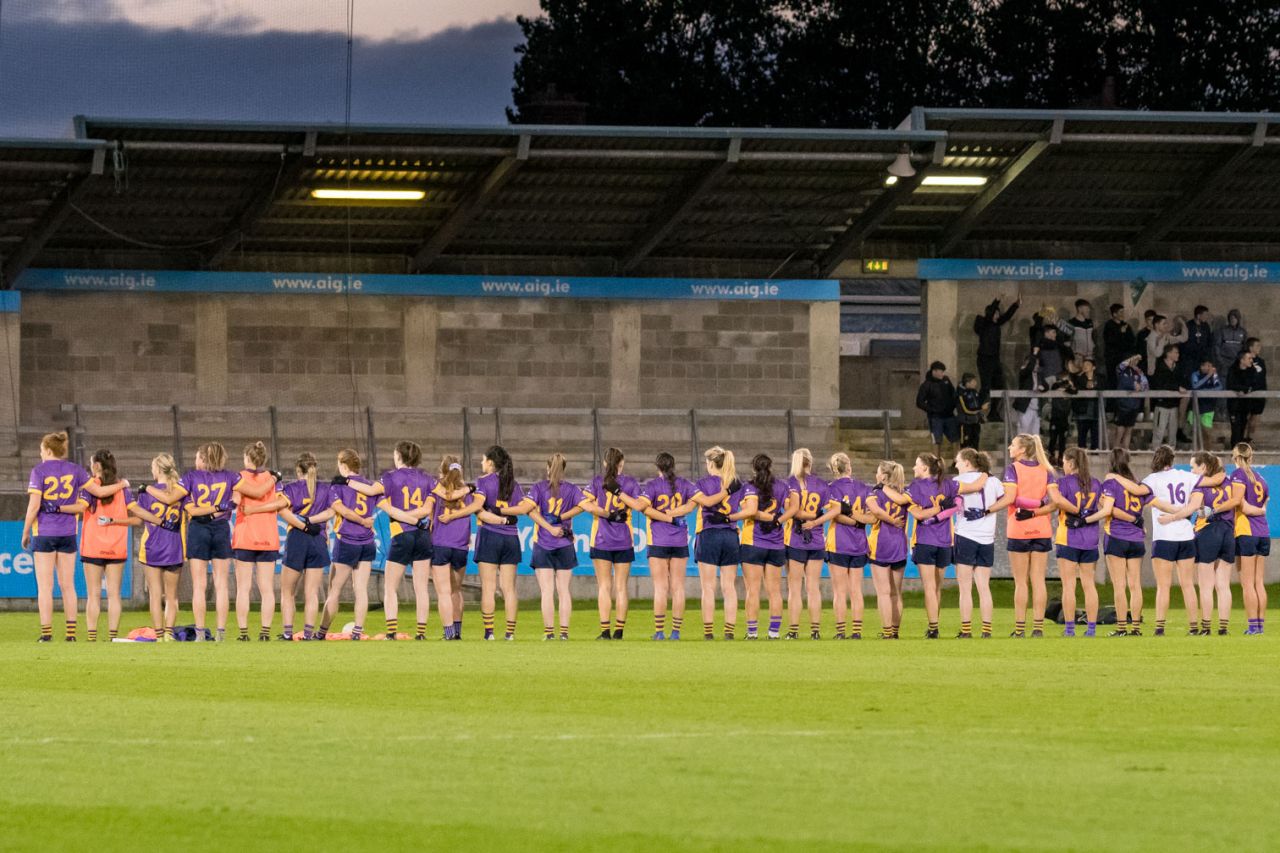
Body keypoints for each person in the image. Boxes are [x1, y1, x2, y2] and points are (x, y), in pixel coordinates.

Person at [145, 442, 275, 641]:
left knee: (199, 585)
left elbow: (169, 498)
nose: (195, 460)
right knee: (222, 584)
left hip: (198, 529)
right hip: (221, 529)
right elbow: (257, 493)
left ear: (204, 459)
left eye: (198, 456)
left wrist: (147, 489)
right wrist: (274, 477)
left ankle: (199, 633)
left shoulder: (190, 477)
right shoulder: (231, 476)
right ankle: (220, 633)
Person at [344, 441, 439, 640]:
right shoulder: (427, 478)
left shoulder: (390, 477)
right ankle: (421, 633)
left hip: (401, 534)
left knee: (390, 587)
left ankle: (391, 632)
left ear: (399, 456)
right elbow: (430, 506)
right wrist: (414, 518)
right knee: (421, 587)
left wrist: (347, 481)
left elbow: (370, 491)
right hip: (422, 535)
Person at [1108, 446, 1200, 635]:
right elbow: (1206, 484)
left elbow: (1136, 490)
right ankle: (1194, 627)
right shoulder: (1187, 476)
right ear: (1172, 460)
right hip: (1186, 535)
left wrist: (1116, 477)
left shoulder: (1152, 479)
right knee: (1188, 584)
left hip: (1164, 536)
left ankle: (1159, 627)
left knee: (1163, 586)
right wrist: (1180, 512)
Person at [1156, 452, 1242, 635]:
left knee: (1205, 585)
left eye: (1193, 466)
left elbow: (1197, 508)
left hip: (1208, 531)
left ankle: (1205, 627)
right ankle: (1223, 628)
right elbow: (1235, 501)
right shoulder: (1227, 481)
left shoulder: (1199, 484)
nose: (1191, 470)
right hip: (1228, 532)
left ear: (1204, 467)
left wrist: (1173, 517)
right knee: (1224, 584)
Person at [447, 445, 526, 641]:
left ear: (490, 462)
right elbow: (522, 507)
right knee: (509, 588)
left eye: (483, 460)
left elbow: (477, 506)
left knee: (489, 587)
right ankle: (510, 634)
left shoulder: (483, 482)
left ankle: (489, 632)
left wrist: (456, 514)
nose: (482, 463)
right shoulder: (514, 485)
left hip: (490, 536)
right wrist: (506, 517)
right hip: (511, 537)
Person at [259, 452, 335, 640]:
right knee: (312, 593)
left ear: (298, 470)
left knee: (287, 591)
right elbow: (331, 511)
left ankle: (287, 633)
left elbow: (280, 508)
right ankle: (308, 634)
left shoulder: (291, 488)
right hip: (318, 539)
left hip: (297, 539)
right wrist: (312, 522)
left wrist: (302, 522)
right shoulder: (325, 489)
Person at [23, 431, 90, 642]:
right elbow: (91, 492)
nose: (40, 453)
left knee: (45, 586)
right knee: (68, 585)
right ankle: (71, 635)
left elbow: (34, 506)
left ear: (49, 450)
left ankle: (46, 634)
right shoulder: (75, 470)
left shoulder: (39, 471)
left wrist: (25, 532)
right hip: (68, 532)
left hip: (44, 532)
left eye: (41, 450)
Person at [987, 433, 1054, 637]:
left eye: (1013, 445)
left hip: (1019, 528)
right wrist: (1038, 504)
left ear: (1022, 449)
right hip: (1042, 528)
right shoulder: (1046, 470)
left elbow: (1011, 498)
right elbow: (1053, 502)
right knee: (1039, 580)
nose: (1009, 447)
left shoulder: (1013, 469)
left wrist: (988, 509)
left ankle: (1019, 629)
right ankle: (1038, 629)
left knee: (1021, 582)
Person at [521, 453, 591, 640]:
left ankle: (549, 632)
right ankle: (564, 633)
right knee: (564, 591)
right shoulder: (572, 489)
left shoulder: (538, 488)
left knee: (546, 591)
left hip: (544, 542)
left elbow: (528, 510)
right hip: (564, 543)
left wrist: (549, 527)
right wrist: (564, 517)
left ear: (547, 468)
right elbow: (584, 506)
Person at [582, 447, 650, 640]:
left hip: (601, 539)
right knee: (621, 586)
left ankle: (605, 631)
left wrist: (605, 513)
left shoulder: (598, 481)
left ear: (605, 463)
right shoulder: (629, 483)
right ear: (622, 463)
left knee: (604, 586)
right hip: (624, 540)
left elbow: (585, 504)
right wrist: (619, 499)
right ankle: (619, 630)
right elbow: (640, 506)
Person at [901, 452, 970, 639]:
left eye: (916, 464)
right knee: (937, 587)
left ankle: (933, 628)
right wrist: (985, 475)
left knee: (930, 588)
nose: (914, 468)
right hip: (945, 542)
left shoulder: (915, 486)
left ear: (924, 468)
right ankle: (934, 624)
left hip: (924, 540)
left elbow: (918, 515)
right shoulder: (949, 484)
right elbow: (973, 487)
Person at [318, 449, 379, 640]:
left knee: (334, 590)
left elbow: (342, 511)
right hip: (368, 542)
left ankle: (321, 632)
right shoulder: (369, 485)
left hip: (347, 541)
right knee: (360, 589)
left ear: (344, 466)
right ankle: (357, 631)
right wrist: (366, 521)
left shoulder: (338, 486)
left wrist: (359, 521)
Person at [814, 452, 874, 640]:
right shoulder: (864, 488)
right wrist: (858, 521)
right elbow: (872, 518)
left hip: (838, 543)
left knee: (839, 591)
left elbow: (835, 515)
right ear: (849, 467)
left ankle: (841, 631)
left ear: (833, 469)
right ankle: (856, 632)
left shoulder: (830, 489)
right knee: (856, 590)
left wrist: (850, 518)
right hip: (859, 544)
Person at [77, 449, 133, 642]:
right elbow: (133, 514)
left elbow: (81, 507)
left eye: (92, 463)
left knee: (93, 595)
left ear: (97, 466)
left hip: (93, 545)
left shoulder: (90, 486)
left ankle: (92, 637)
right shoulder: (123, 488)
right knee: (114, 595)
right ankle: (112, 637)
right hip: (116, 546)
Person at [734, 453, 791, 641]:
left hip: (753, 541)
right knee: (774, 591)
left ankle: (752, 632)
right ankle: (774, 632)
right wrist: (777, 520)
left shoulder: (750, 487)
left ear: (753, 468)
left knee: (753, 590)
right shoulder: (782, 486)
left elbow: (750, 512)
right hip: (776, 543)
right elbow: (792, 508)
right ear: (770, 466)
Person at [127, 454, 184, 641]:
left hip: (152, 546)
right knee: (172, 596)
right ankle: (169, 633)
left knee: (154, 594)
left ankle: (158, 635)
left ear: (158, 470)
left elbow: (139, 518)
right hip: (174, 546)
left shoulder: (146, 492)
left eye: (153, 467)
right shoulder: (181, 491)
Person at [1046, 447, 1102, 637]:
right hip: (1091, 538)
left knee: (1068, 585)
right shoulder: (1095, 483)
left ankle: (1070, 629)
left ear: (1070, 463)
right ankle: (1091, 629)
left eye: (1063, 461)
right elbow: (1102, 508)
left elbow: (1057, 501)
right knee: (1089, 584)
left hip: (1068, 537)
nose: (1063, 465)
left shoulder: (1063, 482)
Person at [642, 452, 698, 640]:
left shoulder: (652, 486)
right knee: (678, 587)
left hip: (658, 539)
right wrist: (675, 514)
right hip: (679, 540)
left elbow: (644, 508)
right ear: (673, 465)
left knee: (660, 588)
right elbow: (692, 506)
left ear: (657, 467)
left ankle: (659, 632)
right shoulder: (684, 484)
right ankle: (676, 632)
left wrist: (665, 515)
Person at [230, 441, 281, 641]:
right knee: (267, 588)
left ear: (246, 458)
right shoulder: (272, 478)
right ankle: (265, 632)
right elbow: (279, 502)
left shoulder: (239, 478)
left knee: (243, 587)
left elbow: (235, 499)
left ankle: (243, 633)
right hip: (268, 536)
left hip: (245, 536)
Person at [1097, 448, 1150, 636]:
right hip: (1136, 538)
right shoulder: (1136, 483)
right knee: (1135, 584)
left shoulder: (1110, 482)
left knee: (1119, 585)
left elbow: (1110, 509)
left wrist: (1101, 504)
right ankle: (1135, 627)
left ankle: (1121, 628)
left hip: (1117, 535)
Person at [690, 446, 741, 640]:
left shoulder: (703, 483)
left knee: (708, 587)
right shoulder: (735, 482)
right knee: (729, 587)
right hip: (730, 535)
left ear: (711, 463)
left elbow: (704, 503)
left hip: (709, 534)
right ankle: (729, 631)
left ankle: (709, 632)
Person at [952, 448, 1003, 638]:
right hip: (987, 538)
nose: (955, 465)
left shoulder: (958, 481)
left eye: (958, 461)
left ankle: (966, 631)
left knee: (965, 588)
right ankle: (986, 631)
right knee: (984, 586)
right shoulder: (994, 481)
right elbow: (1007, 498)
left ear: (967, 462)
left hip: (966, 535)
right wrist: (989, 510)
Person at [787, 448, 830, 640]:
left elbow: (792, 511)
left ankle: (793, 631)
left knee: (794, 588)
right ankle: (815, 631)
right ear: (810, 462)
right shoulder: (821, 484)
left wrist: (809, 516)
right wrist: (816, 517)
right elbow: (832, 509)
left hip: (796, 538)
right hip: (817, 538)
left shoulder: (790, 483)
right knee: (813, 587)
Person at [866, 461, 909, 639]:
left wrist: (890, 520)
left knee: (883, 591)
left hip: (881, 544)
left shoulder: (875, 493)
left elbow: (876, 513)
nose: (876, 475)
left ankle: (887, 632)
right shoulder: (905, 494)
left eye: (878, 472)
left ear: (884, 476)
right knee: (896, 592)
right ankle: (895, 631)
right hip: (899, 543)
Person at [430, 456, 472, 640]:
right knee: (456, 590)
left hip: (440, 543)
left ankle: (448, 633)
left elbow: (430, 516)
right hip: (461, 545)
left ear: (442, 470)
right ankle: (457, 633)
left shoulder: (436, 489)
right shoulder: (468, 492)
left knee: (444, 592)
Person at [1231, 443, 1269, 635]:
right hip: (1263, 532)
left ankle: (1253, 626)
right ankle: (1260, 625)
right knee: (1258, 582)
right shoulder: (1261, 478)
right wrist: (1261, 510)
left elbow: (1241, 506)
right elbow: (1264, 505)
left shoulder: (1238, 475)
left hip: (1247, 531)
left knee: (1247, 583)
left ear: (1236, 457)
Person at [973, 293, 1020, 420]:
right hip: (984, 359)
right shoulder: (983, 323)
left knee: (999, 386)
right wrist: (997, 301)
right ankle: (976, 411)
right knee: (986, 386)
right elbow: (989, 316)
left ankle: (994, 413)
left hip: (994, 359)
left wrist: (1016, 305)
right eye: (996, 313)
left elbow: (1007, 317)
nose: (998, 315)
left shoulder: (996, 324)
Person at [915, 361, 958, 459]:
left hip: (949, 415)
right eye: (940, 371)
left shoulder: (946, 381)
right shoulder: (927, 385)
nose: (942, 374)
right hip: (935, 418)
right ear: (934, 371)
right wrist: (932, 410)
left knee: (955, 439)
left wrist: (953, 405)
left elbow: (953, 394)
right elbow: (919, 402)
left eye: (943, 372)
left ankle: (956, 461)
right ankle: (936, 462)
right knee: (936, 441)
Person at [1149, 344, 1184, 449]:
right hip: (1162, 404)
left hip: (1174, 404)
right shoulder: (1160, 367)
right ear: (1168, 353)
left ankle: (1171, 454)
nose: (1178, 354)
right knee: (1159, 430)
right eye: (1176, 352)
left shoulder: (1178, 368)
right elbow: (1160, 384)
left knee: (1173, 432)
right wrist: (1177, 388)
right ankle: (1156, 453)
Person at [1112, 354, 1147, 450]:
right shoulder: (1121, 371)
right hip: (1122, 406)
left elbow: (1145, 386)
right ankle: (1115, 453)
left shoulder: (1138, 372)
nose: (1135, 362)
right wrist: (1133, 358)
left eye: (1137, 361)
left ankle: (1126, 453)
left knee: (1128, 431)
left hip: (1134, 406)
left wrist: (1140, 386)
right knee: (1119, 431)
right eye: (1133, 360)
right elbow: (1121, 365)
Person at [1188, 359, 1223, 449]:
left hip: (1208, 407)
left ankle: (1207, 453)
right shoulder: (1195, 374)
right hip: (1195, 407)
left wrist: (1205, 391)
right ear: (1201, 366)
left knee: (1207, 433)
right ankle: (1197, 453)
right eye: (1207, 366)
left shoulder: (1214, 375)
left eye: (1210, 366)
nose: (1209, 368)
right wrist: (1208, 376)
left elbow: (1219, 387)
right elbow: (1195, 386)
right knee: (1196, 433)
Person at [1102, 304, 1135, 397]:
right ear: (1114, 314)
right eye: (1121, 312)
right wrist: (1120, 333)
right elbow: (1108, 340)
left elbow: (1131, 341)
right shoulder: (1109, 325)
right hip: (1112, 359)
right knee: (1113, 381)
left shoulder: (1126, 325)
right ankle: (1111, 407)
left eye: (1123, 312)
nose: (1123, 314)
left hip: (1124, 358)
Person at [1227, 350, 1258, 446]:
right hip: (1234, 405)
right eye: (1249, 358)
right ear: (1242, 360)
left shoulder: (1252, 370)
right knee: (1236, 429)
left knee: (1242, 429)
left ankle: (1239, 451)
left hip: (1245, 405)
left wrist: (1244, 390)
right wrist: (1242, 389)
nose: (1251, 360)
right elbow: (1230, 384)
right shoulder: (1233, 369)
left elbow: (1254, 384)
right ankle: (1235, 451)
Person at [1046, 371, 1075, 467]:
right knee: (1053, 438)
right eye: (1063, 378)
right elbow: (1054, 387)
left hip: (1064, 417)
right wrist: (1061, 382)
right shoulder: (1055, 386)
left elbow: (1074, 391)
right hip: (1055, 416)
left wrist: (1070, 384)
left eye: (1067, 378)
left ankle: (1061, 457)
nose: (1064, 381)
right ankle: (1051, 456)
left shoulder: (1069, 388)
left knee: (1063, 439)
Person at [1073, 357, 1100, 450]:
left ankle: (1095, 452)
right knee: (1082, 436)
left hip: (1095, 412)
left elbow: (1102, 388)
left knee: (1095, 435)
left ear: (1094, 367)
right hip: (1082, 411)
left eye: (1088, 365)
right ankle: (1081, 454)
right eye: (1084, 365)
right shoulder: (1079, 379)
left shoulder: (1100, 378)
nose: (1085, 367)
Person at [957, 372, 985, 450]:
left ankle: (975, 460)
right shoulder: (961, 394)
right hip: (966, 423)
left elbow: (977, 404)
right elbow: (966, 409)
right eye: (973, 381)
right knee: (966, 445)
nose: (975, 383)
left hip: (975, 422)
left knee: (975, 443)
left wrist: (980, 415)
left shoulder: (974, 392)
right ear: (967, 383)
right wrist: (980, 408)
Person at [1215, 308, 1246, 375]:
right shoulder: (1223, 330)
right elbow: (1217, 346)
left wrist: (1241, 360)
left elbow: (1245, 347)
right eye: (1231, 318)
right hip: (1224, 362)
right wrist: (1221, 361)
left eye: (1235, 318)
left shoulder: (1242, 332)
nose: (1233, 320)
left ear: (1238, 319)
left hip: (1237, 362)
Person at [1134, 309, 1158, 375]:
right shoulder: (1141, 334)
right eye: (1149, 320)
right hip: (1145, 364)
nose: (1152, 322)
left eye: (1153, 319)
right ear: (1146, 320)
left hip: (1157, 363)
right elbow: (1138, 350)